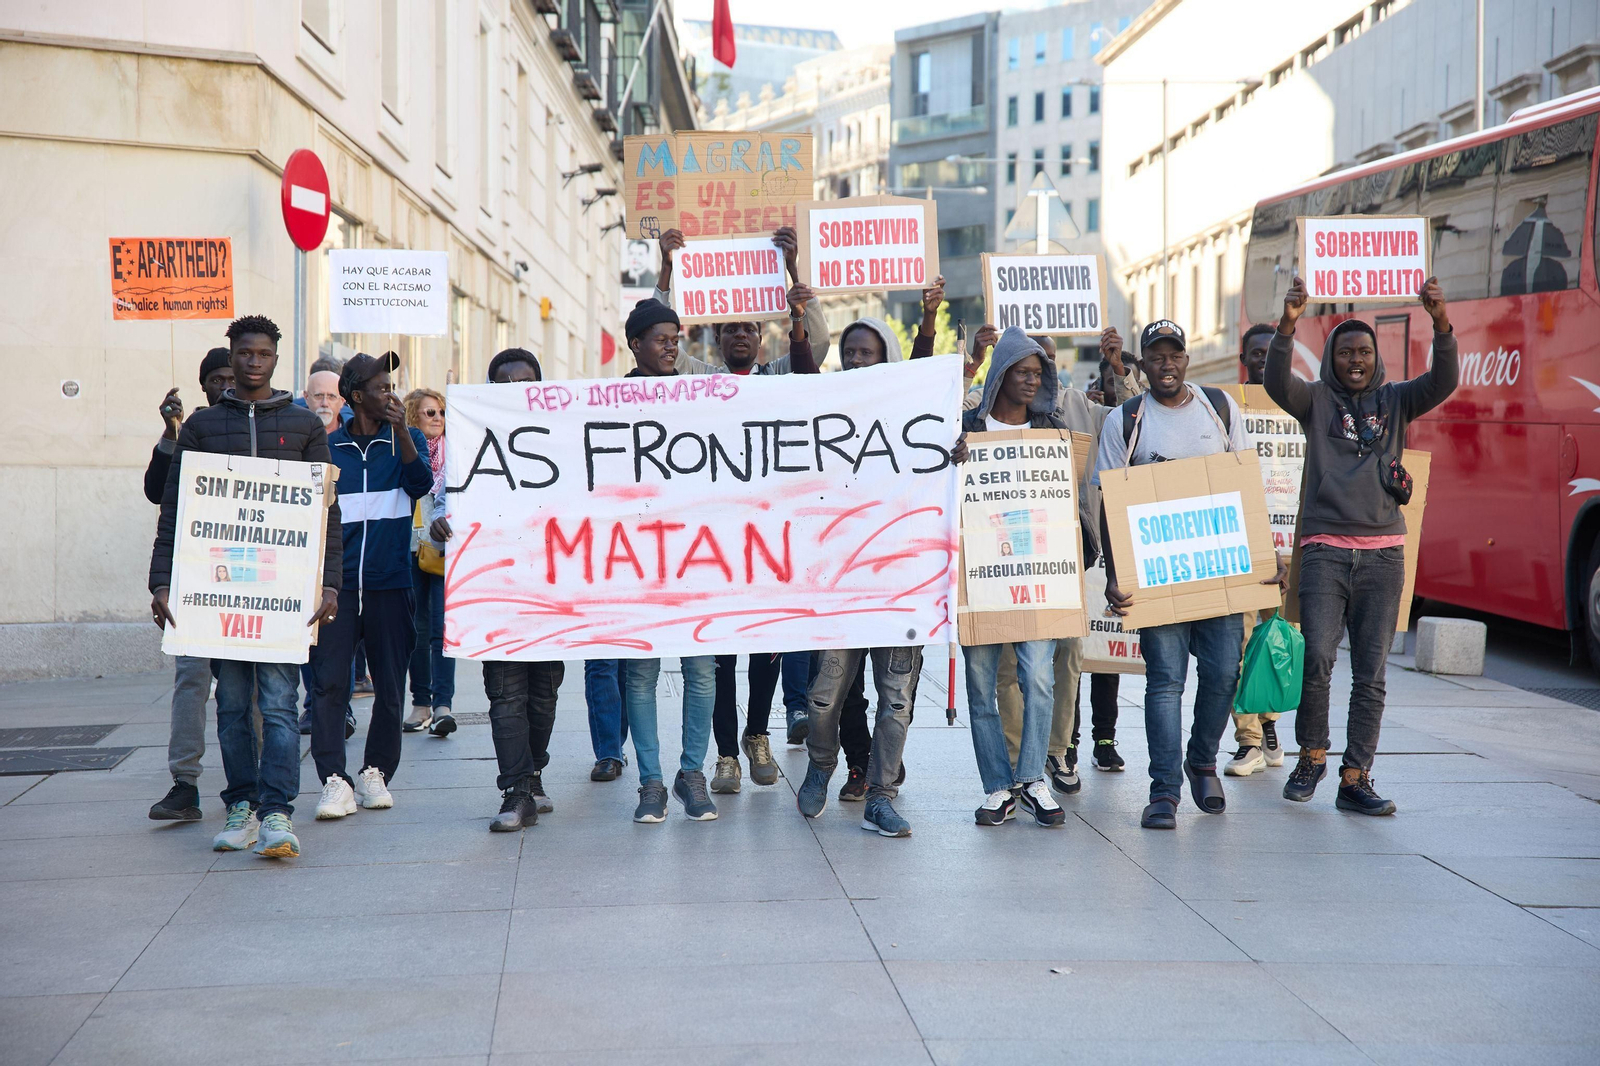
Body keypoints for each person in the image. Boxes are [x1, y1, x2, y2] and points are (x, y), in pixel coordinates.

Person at [149, 314, 342, 859]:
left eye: (263, 354)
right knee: (232, 704)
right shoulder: (203, 427)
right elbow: (175, 509)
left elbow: (328, 515)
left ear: (275, 359)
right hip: (221, 591)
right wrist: (161, 581)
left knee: (280, 704)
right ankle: (241, 805)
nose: (253, 362)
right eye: (244, 353)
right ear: (230, 357)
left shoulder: (303, 426)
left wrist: (329, 584)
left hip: (281, 596)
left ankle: (277, 812)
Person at [1269, 275, 1456, 815]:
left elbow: (1443, 380)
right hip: (1326, 552)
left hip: (1383, 557)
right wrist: (1288, 324)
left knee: (1371, 671)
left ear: (1377, 358)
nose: (1356, 360)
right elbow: (1278, 381)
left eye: (1365, 352)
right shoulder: (1316, 401)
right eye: (1346, 351)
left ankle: (1356, 776)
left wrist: (1440, 322)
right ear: (1332, 358)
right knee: (1319, 660)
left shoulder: (1397, 401)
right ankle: (1313, 755)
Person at [1094, 320, 1285, 830]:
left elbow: (1249, 487)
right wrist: (1116, 576)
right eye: (1155, 356)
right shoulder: (1125, 420)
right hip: (1157, 577)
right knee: (1165, 682)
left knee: (1223, 672)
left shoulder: (1219, 410)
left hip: (1219, 572)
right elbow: (1111, 503)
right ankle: (1163, 792)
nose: (1166, 364)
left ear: (1187, 359)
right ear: (1143, 363)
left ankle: (1201, 760)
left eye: (1174, 354)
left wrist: (1267, 559)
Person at [794, 316, 926, 837]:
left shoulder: (913, 421)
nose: (855, 360)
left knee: (896, 701)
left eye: (867, 353)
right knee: (824, 697)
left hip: (900, 588)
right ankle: (822, 764)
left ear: (885, 359)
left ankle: (882, 796)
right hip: (840, 588)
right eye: (849, 352)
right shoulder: (822, 416)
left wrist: (954, 453)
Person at [431, 348, 569, 830]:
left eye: (525, 382)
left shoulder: (563, 438)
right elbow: (440, 498)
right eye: (504, 383)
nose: (515, 391)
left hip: (551, 589)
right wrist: (439, 524)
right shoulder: (469, 442)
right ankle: (515, 791)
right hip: (496, 589)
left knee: (543, 694)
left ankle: (532, 774)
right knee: (506, 693)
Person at [309, 352, 433, 822]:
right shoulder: (326, 446)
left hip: (390, 583)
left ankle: (375, 772)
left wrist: (402, 431)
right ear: (356, 396)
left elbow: (420, 484)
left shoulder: (409, 439)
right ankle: (334, 781)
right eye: (382, 388)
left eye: (392, 386)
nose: (392, 394)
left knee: (390, 686)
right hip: (338, 589)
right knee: (330, 683)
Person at [953, 328, 1068, 828]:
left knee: (1038, 678)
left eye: (1038, 373)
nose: (1031, 380)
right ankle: (997, 787)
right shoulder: (967, 430)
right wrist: (953, 461)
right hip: (979, 578)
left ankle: (1033, 779)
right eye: (1022, 371)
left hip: (1037, 575)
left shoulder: (1051, 430)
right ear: (1000, 374)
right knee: (980, 687)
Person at [616, 299, 725, 822]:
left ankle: (692, 774)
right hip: (636, 560)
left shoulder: (696, 398)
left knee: (701, 671)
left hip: (695, 556)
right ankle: (651, 783)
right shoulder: (608, 401)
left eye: (676, 339)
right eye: (661, 339)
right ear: (635, 344)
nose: (671, 346)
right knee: (640, 674)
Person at [146, 347, 234, 822]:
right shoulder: (193, 432)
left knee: (251, 685)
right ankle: (185, 783)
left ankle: (254, 779)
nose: (224, 385)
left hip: (246, 576)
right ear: (203, 386)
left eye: (230, 376)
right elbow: (159, 494)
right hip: (195, 574)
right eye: (216, 379)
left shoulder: (254, 425)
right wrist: (170, 435)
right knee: (192, 679)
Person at [1226, 322, 1289, 777]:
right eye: (1257, 353)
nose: (1264, 358)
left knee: (1276, 645)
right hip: (1244, 549)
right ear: (1244, 359)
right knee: (1241, 646)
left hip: (1290, 549)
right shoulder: (1228, 409)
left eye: (1272, 351)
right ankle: (1248, 740)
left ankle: (1269, 725)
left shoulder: (1303, 402)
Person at [402, 387, 455, 737]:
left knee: (442, 627)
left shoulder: (458, 451)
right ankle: (420, 702)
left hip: (445, 546)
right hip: (410, 543)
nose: (437, 418)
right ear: (412, 417)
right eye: (429, 413)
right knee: (416, 628)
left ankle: (443, 706)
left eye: (440, 412)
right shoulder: (406, 448)